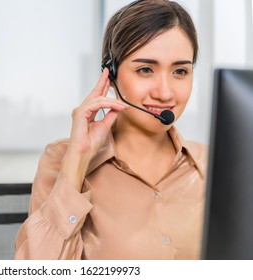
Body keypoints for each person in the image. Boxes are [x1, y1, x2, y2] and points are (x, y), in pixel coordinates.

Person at [14, 0, 207, 260]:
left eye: (180, 71)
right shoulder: (61, 159)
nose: (165, 93)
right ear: (111, 74)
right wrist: (76, 165)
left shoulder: (212, 165)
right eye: (145, 69)